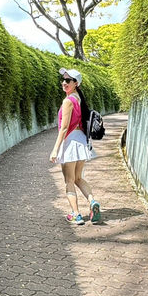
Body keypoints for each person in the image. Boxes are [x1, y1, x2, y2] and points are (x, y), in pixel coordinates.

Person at [49, 68, 101, 225]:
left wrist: (55, 149)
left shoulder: (67, 101)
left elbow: (64, 128)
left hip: (71, 142)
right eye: (63, 80)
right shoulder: (78, 98)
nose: (64, 83)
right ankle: (92, 202)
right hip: (81, 141)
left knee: (69, 181)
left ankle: (76, 214)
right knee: (78, 178)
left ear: (76, 83)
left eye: (68, 80)